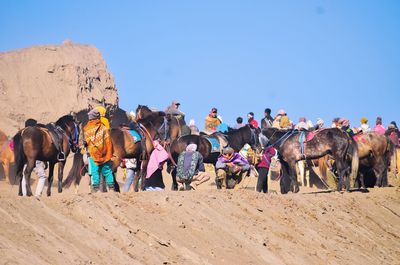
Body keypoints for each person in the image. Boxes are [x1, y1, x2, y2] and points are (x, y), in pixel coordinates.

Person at [83, 108, 114, 193]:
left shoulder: (87, 128)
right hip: (104, 153)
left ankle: (95, 189)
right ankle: (111, 188)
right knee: (107, 170)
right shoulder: (103, 127)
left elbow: (85, 141)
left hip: (93, 153)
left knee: (94, 170)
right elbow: (108, 141)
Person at [20, 118, 48, 197]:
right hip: (36, 160)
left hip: (25, 160)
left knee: (25, 174)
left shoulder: (22, 134)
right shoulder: (37, 136)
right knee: (42, 176)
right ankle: (38, 194)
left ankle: (24, 194)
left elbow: (12, 146)